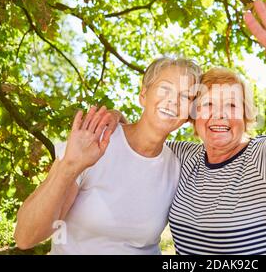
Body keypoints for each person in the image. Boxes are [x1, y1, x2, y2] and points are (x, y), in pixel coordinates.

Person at [105, 0, 266, 254]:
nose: (219, 115)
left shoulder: (261, 156)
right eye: (208, 104)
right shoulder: (183, 157)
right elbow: (143, 137)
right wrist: (116, 118)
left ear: (246, 116)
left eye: (232, 106)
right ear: (193, 116)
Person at [14, 57, 202, 254]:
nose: (173, 100)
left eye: (186, 96)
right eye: (165, 88)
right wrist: (69, 166)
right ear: (143, 95)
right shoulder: (93, 141)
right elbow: (26, 237)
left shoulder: (179, 165)